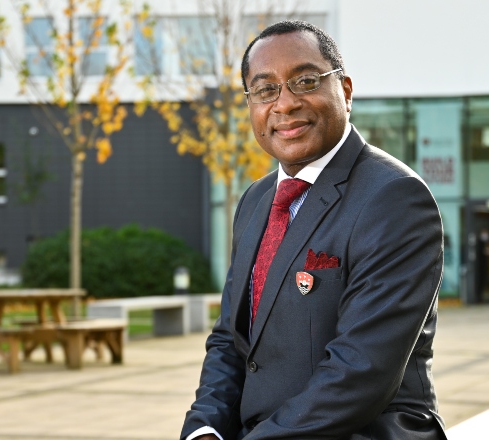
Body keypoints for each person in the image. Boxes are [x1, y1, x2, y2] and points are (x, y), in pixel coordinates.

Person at [182, 21, 446, 440]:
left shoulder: (394, 198)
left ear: (345, 89)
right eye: (265, 90)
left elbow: (360, 371)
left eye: (305, 81)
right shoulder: (255, 200)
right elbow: (230, 342)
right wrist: (205, 429)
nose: (284, 104)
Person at [474, 228, 489, 303]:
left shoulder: (487, 243)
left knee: (482, 283)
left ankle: (479, 297)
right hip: (479, 268)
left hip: (484, 267)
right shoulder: (479, 243)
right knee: (479, 283)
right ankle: (477, 298)